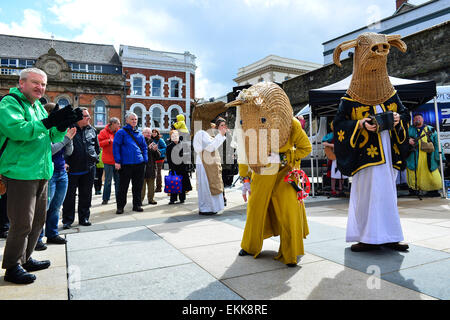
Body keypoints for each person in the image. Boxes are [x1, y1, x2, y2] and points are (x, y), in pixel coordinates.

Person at [0, 67, 81, 284]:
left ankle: (25, 258)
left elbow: (51, 135)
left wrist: (61, 124)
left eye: (43, 84)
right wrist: (48, 122)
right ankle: (12, 266)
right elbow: (18, 130)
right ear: (21, 83)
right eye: (35, 83)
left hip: (42, 170)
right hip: (20, 172)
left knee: (38, 219)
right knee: (22, 222)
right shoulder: (9, 103)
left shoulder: (38, 107)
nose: (40, 87)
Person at [332, 32, 410, 252]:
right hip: (364, 159)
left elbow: (405, 115)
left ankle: (391, 236)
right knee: (366, 196)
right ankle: (366, 237)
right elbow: (338, 125)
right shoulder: (349, 99)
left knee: (387, 195)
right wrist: (360, 126)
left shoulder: (391, 95)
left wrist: (397, 119)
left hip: (387, 157)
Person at [227, 82, 312, 267]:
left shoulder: (293, 124)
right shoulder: (249, 124)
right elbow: (244, 152)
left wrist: (284, 157)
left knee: (289, 208)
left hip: (286, 174)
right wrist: (245, 178)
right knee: (255, 209)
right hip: (261, 172)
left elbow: (306, 148)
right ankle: (249, 246)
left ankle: (291, 251)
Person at [35, 103, 77, 250]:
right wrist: (65, 139)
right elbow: (50, 150)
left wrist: (69, 140)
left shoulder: (59, 129)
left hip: (61, 172)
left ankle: (52, 233)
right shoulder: (47, 130)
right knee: (43, 208)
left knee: (56, 206)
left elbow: (68, 152)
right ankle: (37, 238)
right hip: (49, 173)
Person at [62, 108, 100, 229]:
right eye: (86, 116)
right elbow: (62, 148)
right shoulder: (68, 129)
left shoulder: (92, 130)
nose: (89, 117)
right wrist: (65, 162)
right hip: (72, 169)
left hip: (88, 168)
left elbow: (97, 148)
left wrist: (95, 158)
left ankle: (84, 218)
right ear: (78, 117)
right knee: (69, 196)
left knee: (86, 195)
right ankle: (67, 220)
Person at [192, 102, 229, 215]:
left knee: (209, 186)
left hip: (208, 164)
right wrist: (221, 135)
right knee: (207, 187)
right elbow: (211, 147)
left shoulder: (204, 133)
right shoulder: (201, 133)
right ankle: (207, 208)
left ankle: (211, 208)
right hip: (205, 165)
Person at [113, 112, 148, 214]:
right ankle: (120, 207)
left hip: (139, 163)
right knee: (123, 187)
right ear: (127, 120)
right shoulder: (121, 132)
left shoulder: (139, 133)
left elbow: (144, 147)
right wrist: (117, 161)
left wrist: (145, 159)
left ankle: (137, 205)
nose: (134, 121)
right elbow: (116, 147)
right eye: (132, 119)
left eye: (136, 119)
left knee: (138, 186)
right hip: (126, 164)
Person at [406, 113, 443, 197]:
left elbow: (437, 143)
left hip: (429, 157)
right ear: (413, 120)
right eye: (415, 118)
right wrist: (408, 140)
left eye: (419, 118)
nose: (417, 119)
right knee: (412, 173)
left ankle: (433, 190)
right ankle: (414, 190)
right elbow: (402, 139)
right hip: (413, 156)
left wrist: (440, 156)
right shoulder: (409, 129)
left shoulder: (430, 129)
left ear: (423, 120)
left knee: (432, 173)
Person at [97, 117, 121, 204]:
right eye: (118, 123)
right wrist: (108, 141)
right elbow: (98, 143)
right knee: (108, 181)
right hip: (108, 161)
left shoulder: (119, 132)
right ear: (112, 124)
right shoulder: (103, 132)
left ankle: (119, 198)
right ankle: (105, 198)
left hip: (117, 161)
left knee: (118, 181)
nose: (119, 125)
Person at [166, 130, 192, 204]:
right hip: (174, 168)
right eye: (173, 136)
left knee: (183, 183)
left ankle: (182, 198)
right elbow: (168, 159)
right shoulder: (169, 147)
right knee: (173, 183)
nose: (175, 137)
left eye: (176, 135)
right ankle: (173, 199)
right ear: (171, 137)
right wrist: (171, 168)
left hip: (183, 167)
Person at [322, 121, 347, 197]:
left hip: (342, 156)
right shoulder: (331, 135)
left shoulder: (344, 134)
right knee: (334, 174)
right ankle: (333, 190)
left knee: (341, 174)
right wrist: (331, 145)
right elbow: (324, 142)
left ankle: (340, 189)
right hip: (335, 157)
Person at [142, 127, 160, 205]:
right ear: (143, 133)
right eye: (147, 132)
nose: (149, 134)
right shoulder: (140, 141)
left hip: (151, 167)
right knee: (141, 187)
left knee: (151, 186)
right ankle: (140, 200)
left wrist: (156, 150)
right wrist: (147, 149)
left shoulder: (152, 142)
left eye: (149, 133)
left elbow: (158, 156)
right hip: (143, 168)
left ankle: (151, 199)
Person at [151, 128, 167, 192]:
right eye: (153, 132)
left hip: (160, 158)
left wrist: (158, 151)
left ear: (157, 133)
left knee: (158, 172)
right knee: (153, 173)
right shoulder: (151, 139)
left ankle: (159, 187)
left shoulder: (160, 140)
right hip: (153, 158)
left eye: (155, 132)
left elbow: (165, 147)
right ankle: (153, 186)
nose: (154, 133)